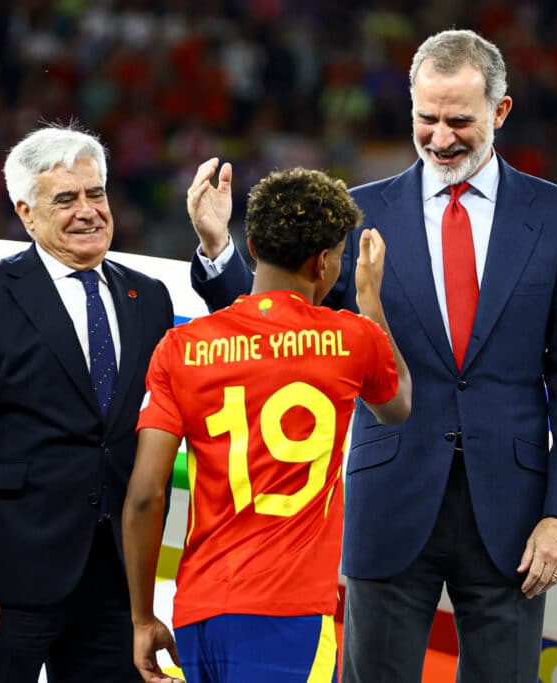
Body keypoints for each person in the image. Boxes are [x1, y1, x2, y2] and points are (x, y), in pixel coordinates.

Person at [186, 28, 557, 682]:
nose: (440, 138)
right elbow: (283, 333)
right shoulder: (357, 212)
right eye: (425, 119)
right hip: (390, 498)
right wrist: (219, 251)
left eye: (459, 120)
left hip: (515, 514)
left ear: (501, 112)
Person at [122, 167, 412, 683]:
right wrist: (369, 301)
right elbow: (398, 405)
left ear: (251, 245)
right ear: (323, 263)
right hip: (291, 617)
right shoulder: (352, 340)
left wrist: (142, 618)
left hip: (199, 612)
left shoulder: (182, 348)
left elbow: (146, 494)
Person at [0, 124, 175, 682]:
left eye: (96, 193)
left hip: (117, 580)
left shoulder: (149, 297)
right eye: (65, 199)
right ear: (25, 213)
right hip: (7, 580)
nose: (88, 211)